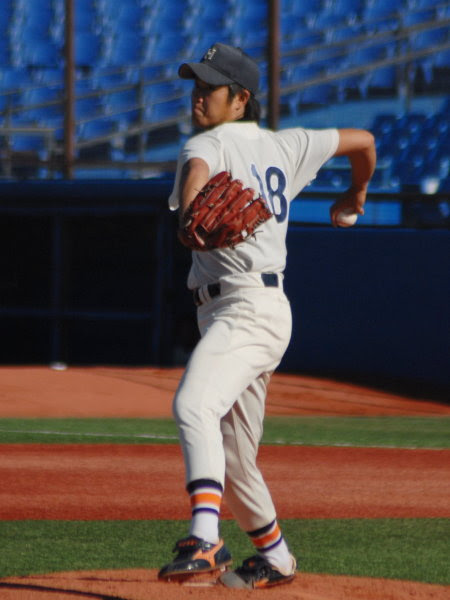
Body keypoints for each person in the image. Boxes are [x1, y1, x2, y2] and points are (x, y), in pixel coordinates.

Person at [158, 42, 376, 589]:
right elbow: (364, 141)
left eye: (210, 88)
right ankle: (276, 557)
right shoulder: (290, 144)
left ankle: (205, 537)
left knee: (193, 406)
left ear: (241, 99)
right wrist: (356, 195)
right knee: (235, 460)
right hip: (263, 310)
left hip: (244, 310)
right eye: (196, 86)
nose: (198, 96)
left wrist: (188, 213)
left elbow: (197, 175)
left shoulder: (204, 143)